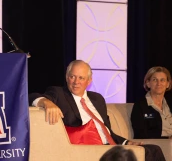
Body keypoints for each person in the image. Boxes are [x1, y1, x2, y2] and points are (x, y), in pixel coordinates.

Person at [29, 60, 166, 161]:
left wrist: (126, 142)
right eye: (72, 76)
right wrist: (45, 102)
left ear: (89, 81)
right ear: (67, 77)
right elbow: (31, 97)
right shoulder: (58, 93)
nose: (76, 82)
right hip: (87, 147)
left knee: (154, 149)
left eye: (81, 78)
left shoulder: (97, 99)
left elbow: (107, 131)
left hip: (109, 145)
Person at [131, 66, 172, 139]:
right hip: (157, 146)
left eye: (162, 80)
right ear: (148, 83)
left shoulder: (170, 104)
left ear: (168, 84)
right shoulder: (140, 106)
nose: (159, 83)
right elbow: (141, 134)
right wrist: (167, 139)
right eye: (155, 80)